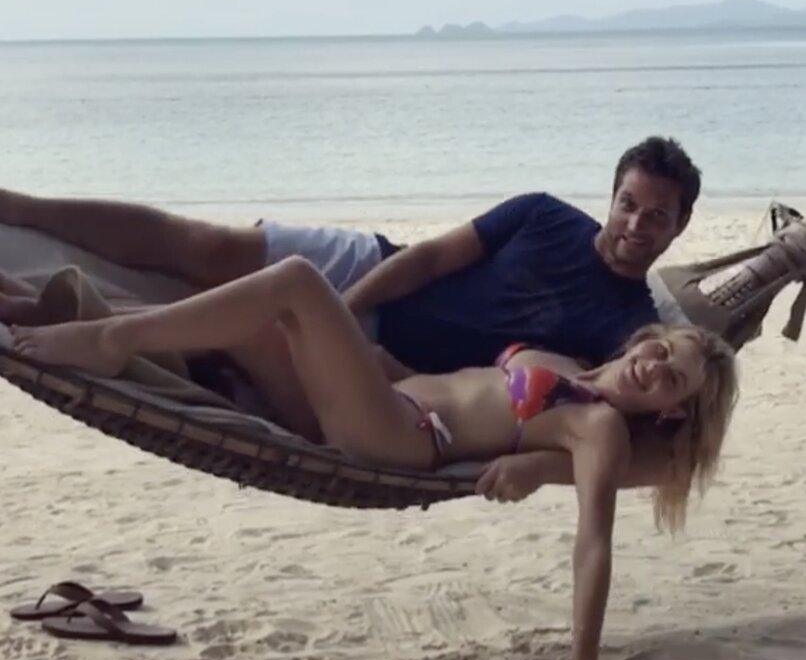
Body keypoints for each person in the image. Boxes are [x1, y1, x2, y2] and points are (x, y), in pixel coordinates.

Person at [9, 255, 738, 660]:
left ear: (672, 410)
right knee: (245, 317)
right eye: (663, 350)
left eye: (672, 379)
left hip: (400, 435)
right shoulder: (574, 366)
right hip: (381, 396)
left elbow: (593, 545)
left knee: (296, 281)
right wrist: (380, 362)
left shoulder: (601, 428)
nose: (655, 367)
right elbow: (489, 404)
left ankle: (105, 341)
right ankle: (40, 307)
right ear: (648, 338)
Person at [0, 136, 701, 438]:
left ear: (679, 227)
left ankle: (41, 308)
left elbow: (590, 396)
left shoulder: (628, 326)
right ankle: (22, 208)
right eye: (628, 204)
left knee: (218, 327)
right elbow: (430, 258)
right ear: (612, 197)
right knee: (210, 248)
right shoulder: (543, 214)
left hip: (391, 369)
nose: (636, 225)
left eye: (657, 216)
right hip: (370, 271)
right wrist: (346, 305)